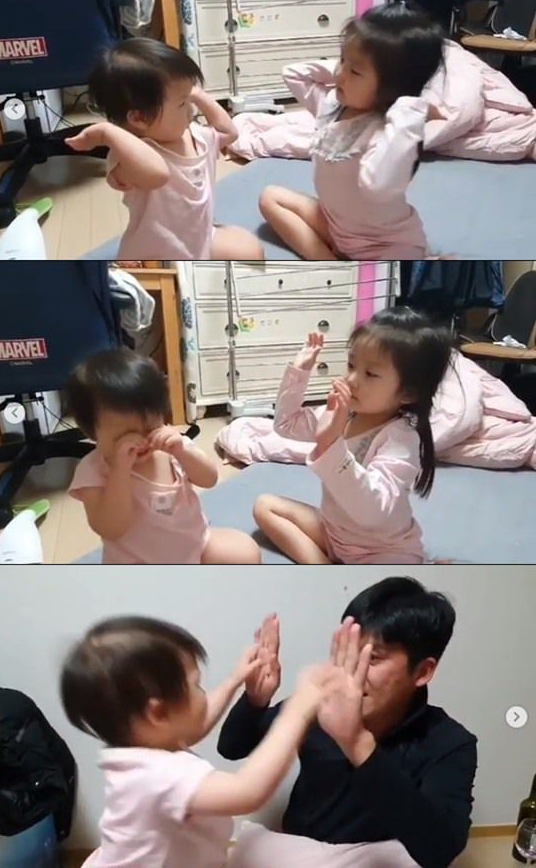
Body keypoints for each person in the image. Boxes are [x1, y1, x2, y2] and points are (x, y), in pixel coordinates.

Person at [60, 615, 368, 868]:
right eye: (196, 685)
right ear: (158, 713)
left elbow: (195, 727)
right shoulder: (159, 776)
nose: (203, 694)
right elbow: (247, 792)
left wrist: (235, 680)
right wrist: (299, 709)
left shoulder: (140, 748)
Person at [219, 577, 478, 868]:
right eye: (348, 653)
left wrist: (357, 743)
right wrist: (255, 701)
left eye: (373, 658)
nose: (351, 672)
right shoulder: (320, 705)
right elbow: (232, 748)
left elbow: (441, 850)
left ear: (422, 672)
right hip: (297, 854)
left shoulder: (449, 742)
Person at [254, 306, 452, 564]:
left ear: (408, 393)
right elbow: (286, 424)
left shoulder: (401, 438)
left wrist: (331, 443)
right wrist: (299, 373)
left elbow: (371, 511)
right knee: (265, 506)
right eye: (351, 365)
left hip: (382, 549)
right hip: (335, 533)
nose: (351, 379)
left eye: (370, 374)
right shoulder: (344, 412)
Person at [259, 2, 445, 261]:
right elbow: (293, 74)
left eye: (355, 71)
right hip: (337, 227)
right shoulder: (332, 105)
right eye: (341, 60)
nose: (340, 75)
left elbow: (378, 186)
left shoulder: (387, 134)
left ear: (392, 87)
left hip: (384, 245)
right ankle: (328, 260)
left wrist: (410, 109)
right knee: (270, 197)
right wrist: (349, 63)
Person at [65, 38, 263, 263]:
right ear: (139, 118)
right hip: (155, 253)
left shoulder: (192, 134)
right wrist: (107, 133)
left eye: (189, 99)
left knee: (251, 250)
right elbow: (158, 173)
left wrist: (196, 94)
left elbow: (229, 132)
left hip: (199, 238)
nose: (191, 110)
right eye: (182, 104)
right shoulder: (128, 158)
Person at [66, 348, 261, 564]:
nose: (140, 441)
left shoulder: (171, 446)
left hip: (195, 546)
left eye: (150, 428)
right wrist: (119, 472)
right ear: (91, 433)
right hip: (139, 565)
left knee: (245, 551)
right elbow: (111, 529)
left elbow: (210, 479)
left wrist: (183, 451)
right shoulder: (93, 470)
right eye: (124, 436)